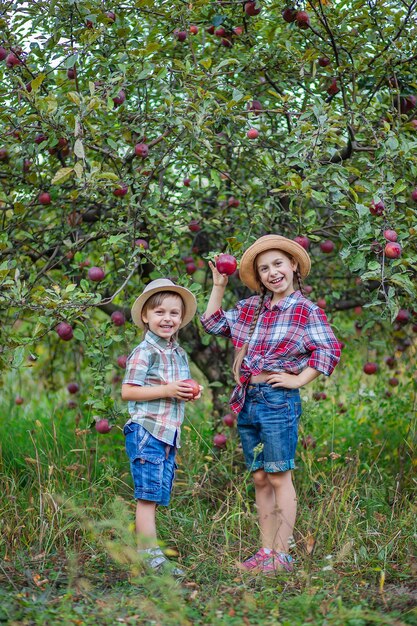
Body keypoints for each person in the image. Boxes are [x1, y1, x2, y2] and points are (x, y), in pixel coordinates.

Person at [201, 234, 341, 575]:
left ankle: (282, 555)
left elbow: (329, 349)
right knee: (261, 477)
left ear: (293, 266)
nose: (272, 272)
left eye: (278, 263)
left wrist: (297, 379)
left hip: (278, 400)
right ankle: (266, 551)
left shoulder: (305, 310)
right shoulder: (253, 308)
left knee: (280, 475)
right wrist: (219, 283)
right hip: (249, 398)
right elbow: (212, 322)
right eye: (264, 268)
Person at [121, 278, 200, 576]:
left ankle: (149, 553)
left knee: (154, 495)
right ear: (145, 316)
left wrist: (190, 391)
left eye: (174, 314)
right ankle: (149, 555)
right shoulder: (145, 351)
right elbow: (128, 392)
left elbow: (174, 388)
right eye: (160, 312)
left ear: (181, 319)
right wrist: (169, 390)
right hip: (147, 431)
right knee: (147, 495)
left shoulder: (176, 352)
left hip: (168, 433)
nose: (167, 319)